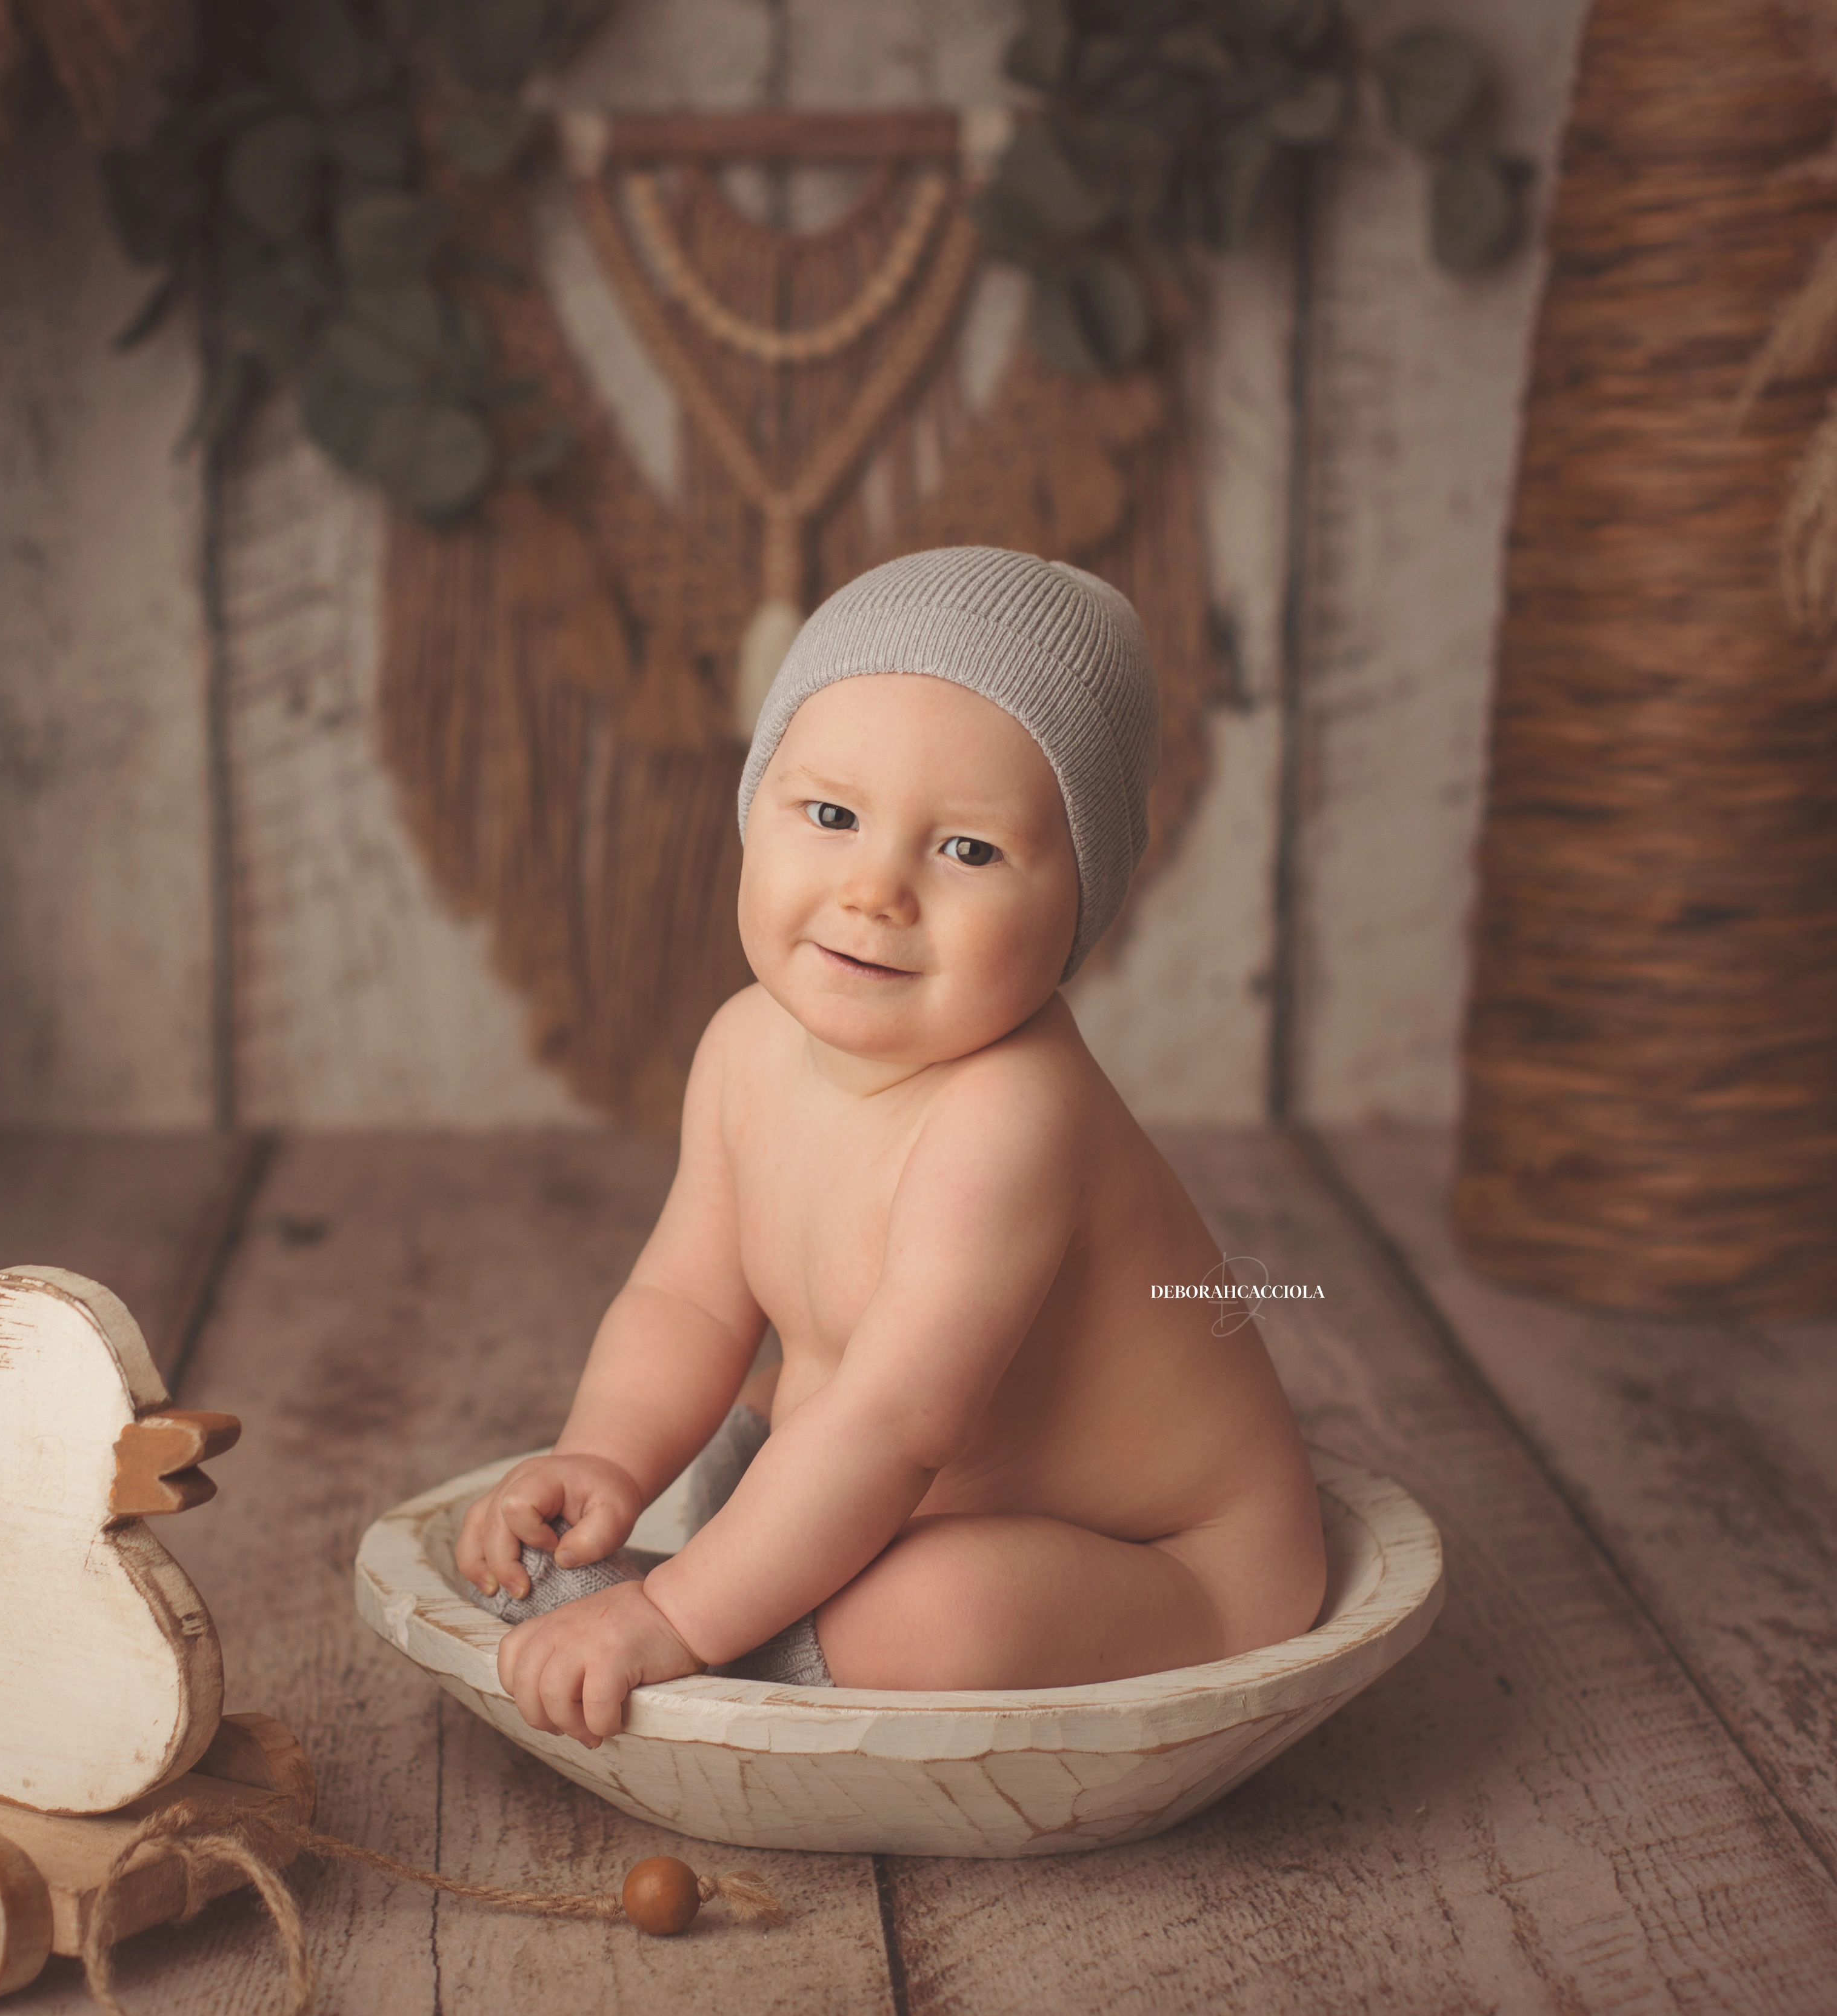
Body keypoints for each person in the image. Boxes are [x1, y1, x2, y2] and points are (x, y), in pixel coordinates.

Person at [454, 547, 1327, 1748]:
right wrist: (602, 1460)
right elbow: (686, 1301)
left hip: (1170, 1562)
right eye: (831, 815)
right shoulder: (744, 1045)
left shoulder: (1011, 1118)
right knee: (752, 1413)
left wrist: (668, 1620)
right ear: (753, 808)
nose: (878, 892)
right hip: (938, 1483)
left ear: (1081, 903)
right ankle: (755, 1596)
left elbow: (894, 1425)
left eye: (966, 850)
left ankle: (750, 1640)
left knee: (933, 1615)